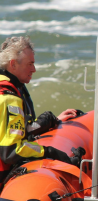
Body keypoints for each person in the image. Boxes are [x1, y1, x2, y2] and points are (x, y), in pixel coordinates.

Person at [0, 36, 79, 184]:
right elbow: (12, 150)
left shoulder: (10, 86)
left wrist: (53, 121)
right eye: (30, 64)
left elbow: (20, 130)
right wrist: (49, 151)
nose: (34, 69)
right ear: (13, 64)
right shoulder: (9, 97)